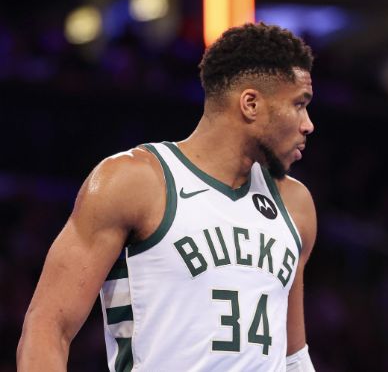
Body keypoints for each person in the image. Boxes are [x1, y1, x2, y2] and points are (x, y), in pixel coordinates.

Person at [17, 22, 318, 371]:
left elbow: (293, 357)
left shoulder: (295, 204)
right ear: (250, 103)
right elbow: (48, 326)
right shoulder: (135, 181)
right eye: (299, 104)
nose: (308, 124)